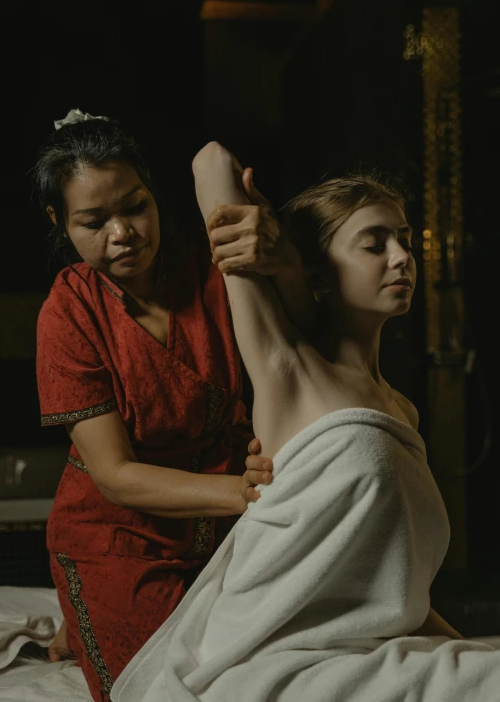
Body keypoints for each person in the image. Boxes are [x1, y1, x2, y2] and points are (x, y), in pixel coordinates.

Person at [109, 142, 500, 702]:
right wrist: (279, 249)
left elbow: (393, 595)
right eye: (375, 243)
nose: (402, 257)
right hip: (286, 662)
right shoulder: (288, 371)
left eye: (405, 240)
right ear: (316, 270)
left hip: (368, 651)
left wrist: (477, 653)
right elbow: (209, 161)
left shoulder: (403, 411)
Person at [33, 113, 311, 701]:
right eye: (94, 220)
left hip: (230, 520)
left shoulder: (210, 265)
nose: (122, 232)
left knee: (275, 667)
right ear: (60, 222)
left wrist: (280, 254)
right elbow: (114, 474)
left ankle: (80, 626)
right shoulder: (69, 313)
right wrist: (242, 490)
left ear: (155, 194)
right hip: (121, 533)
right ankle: (87, 601)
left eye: (134, 206)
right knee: (163, 687)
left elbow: (306, 337)